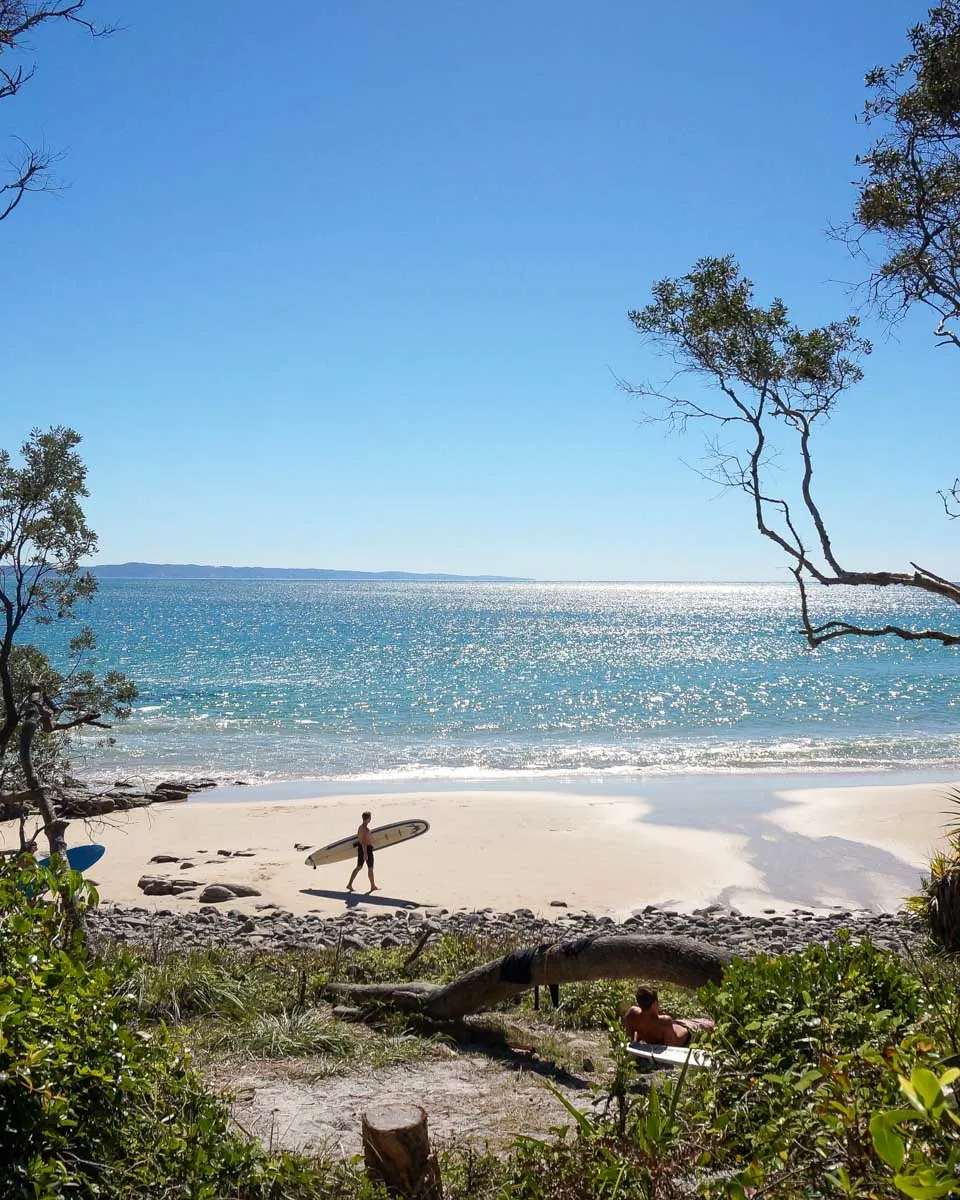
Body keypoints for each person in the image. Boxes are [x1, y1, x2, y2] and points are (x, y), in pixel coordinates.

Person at [624, 985, 715, 1048]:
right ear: (654, 1004)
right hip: (684, 1031)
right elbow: (670, 1049)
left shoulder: (632, 1015)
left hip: (686, 1029)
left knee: (711, 1025)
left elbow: (631, 1040)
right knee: (711, 1025)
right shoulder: (663, 1021)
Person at [346, 811, 378, 893]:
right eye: (370, 817)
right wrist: (365, 853)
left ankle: (372, 885)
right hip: (366, 850)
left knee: (361, 867)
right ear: (368, 819)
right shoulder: (365, 829)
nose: (370, 819)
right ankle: (372, 886)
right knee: (368, 868)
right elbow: (363, 842)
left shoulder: (360, 827)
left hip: (364, 849)